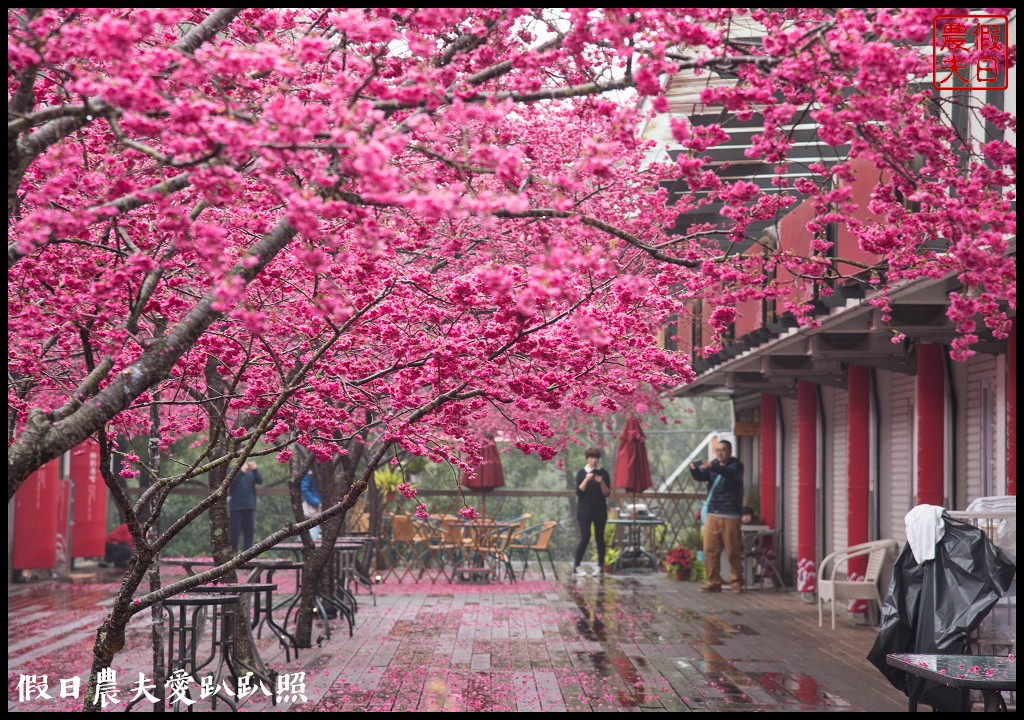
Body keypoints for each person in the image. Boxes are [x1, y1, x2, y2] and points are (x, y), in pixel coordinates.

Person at [689, 439, 745, 593]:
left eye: (723, 450)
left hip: (731, 514)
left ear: (730, 451)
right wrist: (694, 469)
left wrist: (712, 466)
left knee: (733, 550)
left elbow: (729, 473)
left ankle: (736, 582)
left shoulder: (736, 466)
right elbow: (701, 476)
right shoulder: (713, 466)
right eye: (717, 450)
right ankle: (714, 582)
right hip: (713, 513)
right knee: (710, 549)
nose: (720, 453)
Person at [572, 446, 611, 576]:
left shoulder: (603, 473)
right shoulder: (581, 473)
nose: (593, 460)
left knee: (600, 538)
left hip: (600, 511)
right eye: (591, 458)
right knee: (585, 537)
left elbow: (606, 493)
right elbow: (579, 491)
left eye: (595, 458)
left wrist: (601, 482)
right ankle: (576, 566)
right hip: (584, 512)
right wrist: (587, 480)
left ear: (598, 459)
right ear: (587, 459)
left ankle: (600, 566)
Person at [228, 460, 263, 553]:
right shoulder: (231, 470)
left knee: (249, 535)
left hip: (250, 506)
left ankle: (247, 558)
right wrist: (242, 472)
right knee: (234, 535)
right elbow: (229, 484)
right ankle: (232, 558)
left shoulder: (251, 471)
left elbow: (260, 480)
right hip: (236, 507)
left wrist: (255, 469)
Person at [301, 469, 322, 541]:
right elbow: (304, 489)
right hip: (313, 508)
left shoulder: (328, 467)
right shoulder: (310, 470)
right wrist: (317, 503)